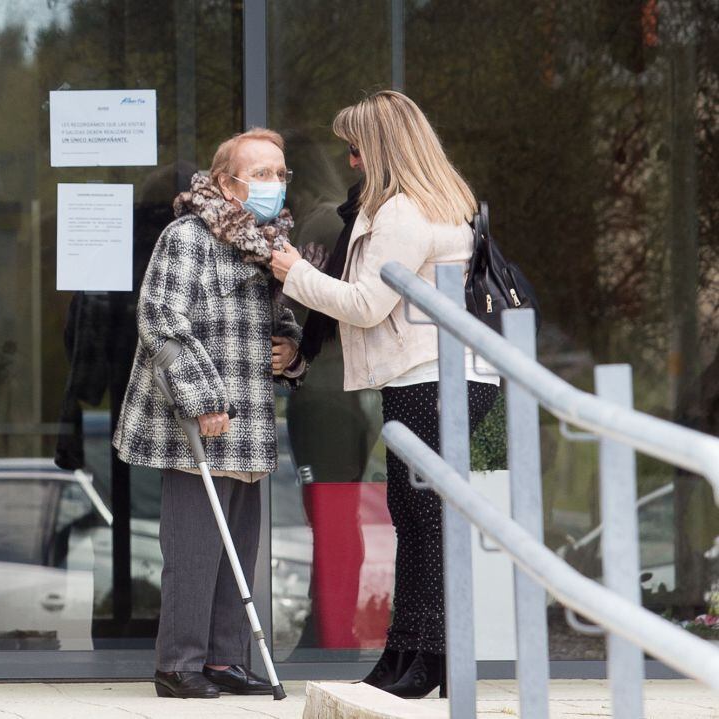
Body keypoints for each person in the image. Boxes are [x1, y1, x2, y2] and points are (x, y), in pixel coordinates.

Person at [270, 91, 500, 698]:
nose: (349, 162)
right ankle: (410, 655)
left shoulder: (404, 212)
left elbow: (368, 306)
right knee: (421, 518)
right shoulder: (440, 202)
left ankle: (422, 661)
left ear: (381, 149)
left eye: (355, 149)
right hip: (443, 375)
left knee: (422, 520)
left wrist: (292, 269)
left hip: (431, 377)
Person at [113, 128, 306, 699]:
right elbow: (161, 321)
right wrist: (202, 400)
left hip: (250, 420)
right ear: (225, 182)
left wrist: (289, 350)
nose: (274, 184)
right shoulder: (187, 238)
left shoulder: (266, 244)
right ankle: (179, 664)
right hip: (199, 420)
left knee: (238, 550)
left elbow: (281, 321)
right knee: (195, 551)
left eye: (280, 173)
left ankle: (225, 659)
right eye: (261, 173)